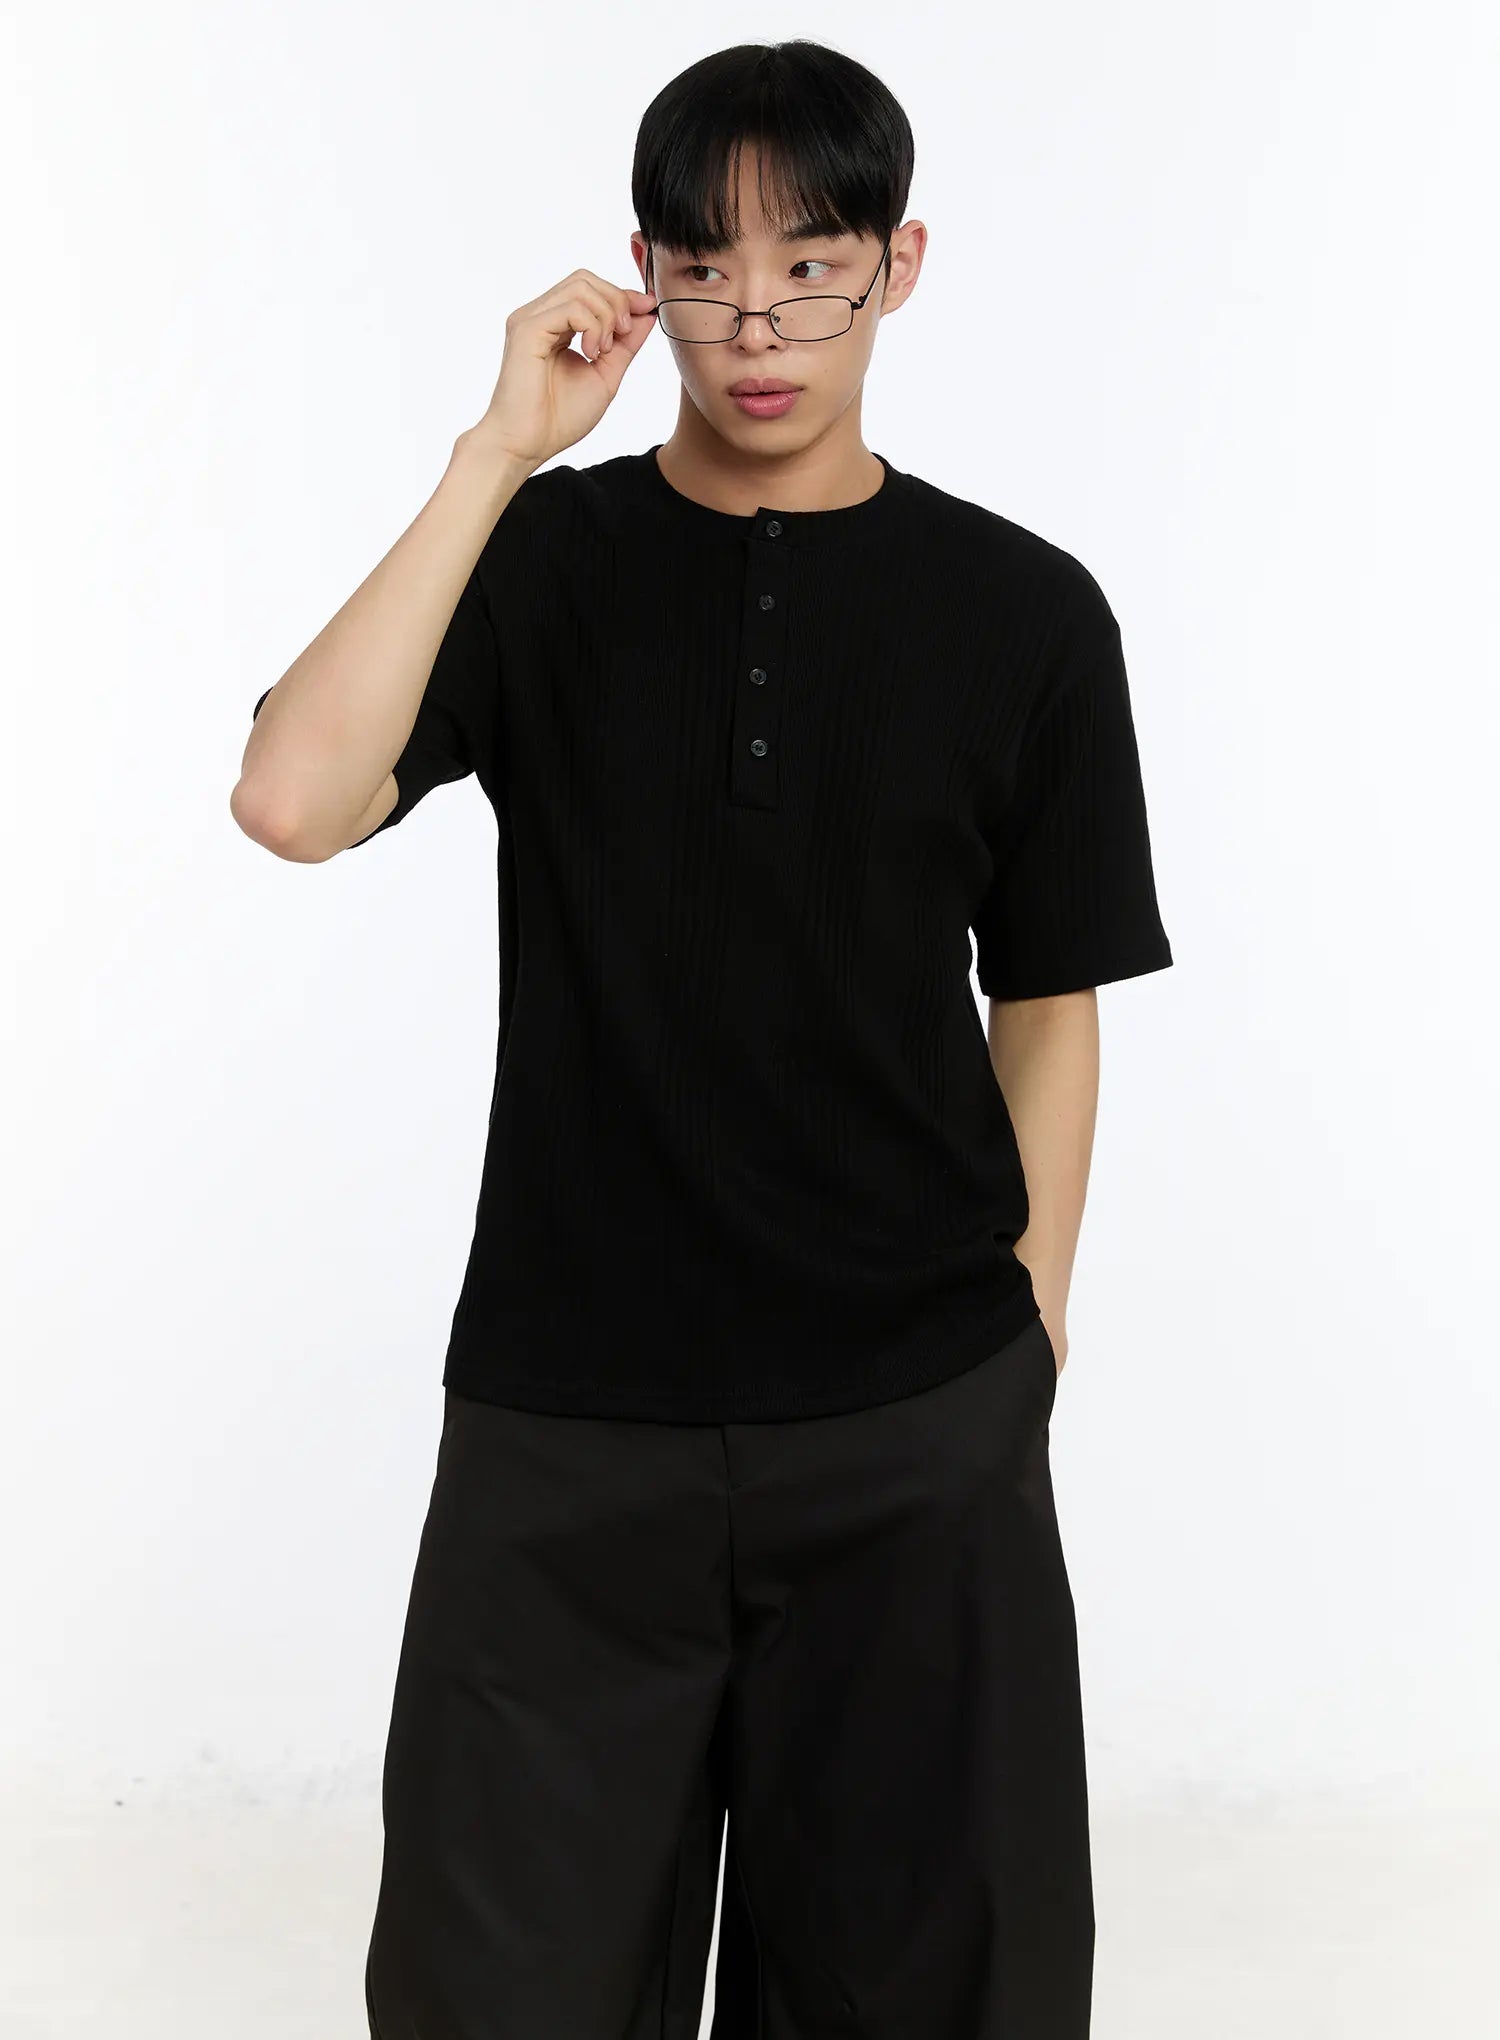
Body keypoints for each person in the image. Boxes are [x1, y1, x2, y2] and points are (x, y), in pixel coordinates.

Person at [233, 37, 1173, 2040]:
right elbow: (293, 798)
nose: (759, 321)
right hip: (566, 1431)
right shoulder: (541, 568)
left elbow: (1051, 996)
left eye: (812, 264)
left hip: (914, 1424)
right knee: (496, 1997)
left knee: (937, 1993)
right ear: (643, 271)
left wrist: (1026, 1335)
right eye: (709, 265)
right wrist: (494, 454)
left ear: (899, 266)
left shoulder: (1024, 614)